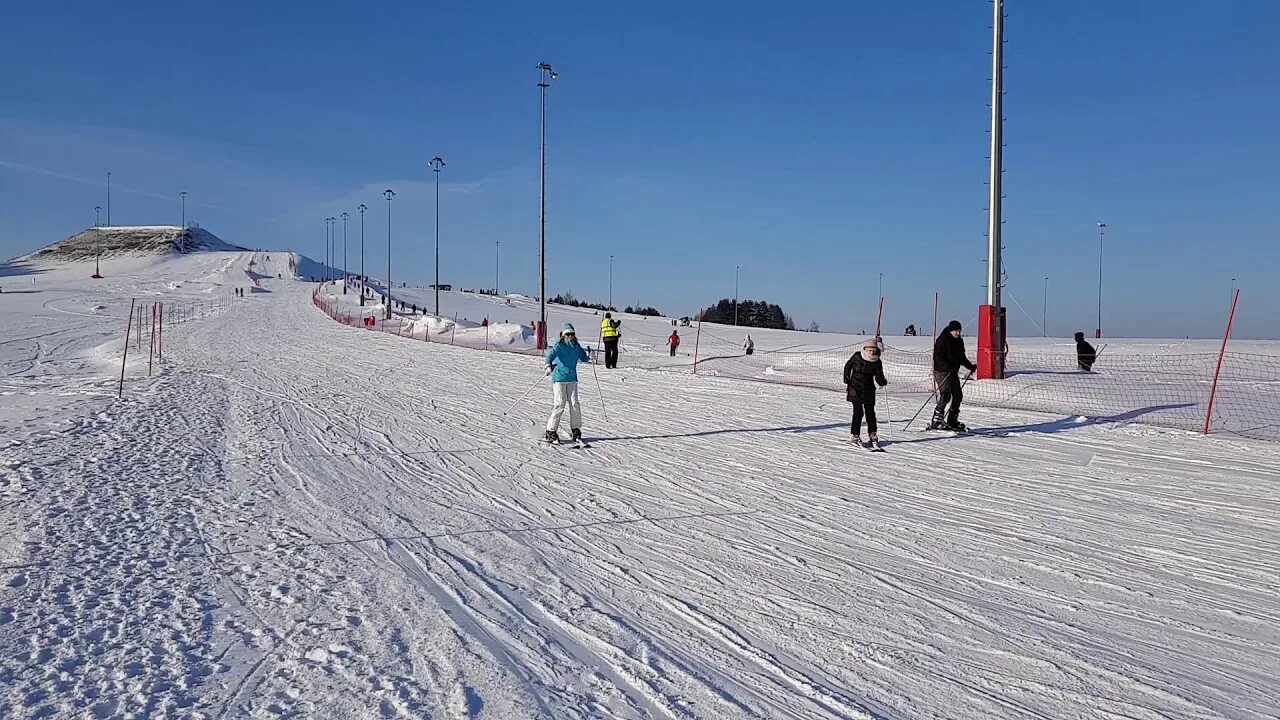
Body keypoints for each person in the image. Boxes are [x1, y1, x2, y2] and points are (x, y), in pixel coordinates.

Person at [544, 323, 590, 444]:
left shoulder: (576, 346)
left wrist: (588, 356)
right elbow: (550, 355)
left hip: (572, 379)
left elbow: (583, 357)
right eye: (568, 334)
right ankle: (550, 431)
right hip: (559, 378)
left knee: (575, 404)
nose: (570, 336)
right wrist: (548, 365)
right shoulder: (559, 346)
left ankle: (576, 429)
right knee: (560, 404)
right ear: (564, 335)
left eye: (572, 334)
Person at [930, 320, 977, 431]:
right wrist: (948, 366)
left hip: (953, 371)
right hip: (941, 371)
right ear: (951, 330)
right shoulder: (942, 340)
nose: (958, 333)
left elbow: (961, 357)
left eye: (959, 331)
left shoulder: (959, 341)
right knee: (946, 394)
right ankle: (936, 420)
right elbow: (938, 358)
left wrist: (970, 366)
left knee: (958, 395)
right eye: (956, 331)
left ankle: (952, 420)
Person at [843, 339, 889, 448]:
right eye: (870, 350)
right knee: (861, 412)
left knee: (867, 413)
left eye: (873, 350)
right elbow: (848, 366)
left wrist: (882, 382)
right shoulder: (859, 356)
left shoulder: (875, 360)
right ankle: (859, 435)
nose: (872, 352)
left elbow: (879, 376)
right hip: (856, 388)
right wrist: (846, 378)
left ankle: (869, 435)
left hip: (865, 389)